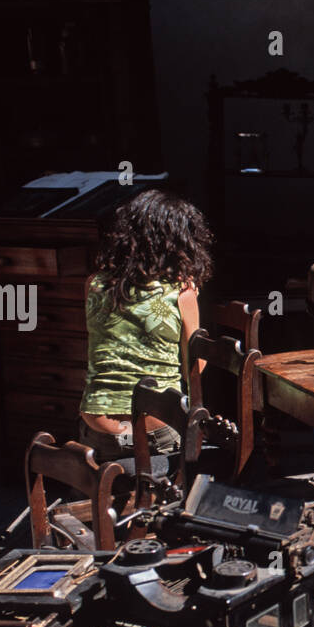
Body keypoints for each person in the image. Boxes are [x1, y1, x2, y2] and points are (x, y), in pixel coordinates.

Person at [77, 189, 214, 462]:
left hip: (98, 426)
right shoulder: (182, 294)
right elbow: (194, 371)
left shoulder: (95, 284)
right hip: (156, 429)